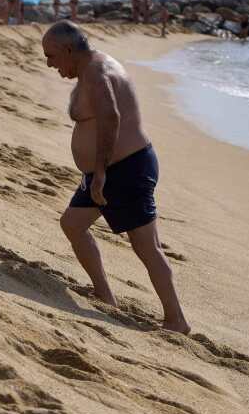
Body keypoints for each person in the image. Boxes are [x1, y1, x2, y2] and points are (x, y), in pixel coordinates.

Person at [41, 21, 190, 334]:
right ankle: (104, 295)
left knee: (146, 246)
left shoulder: (97, 72)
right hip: (107, 168)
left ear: (68, 49)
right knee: (73, 224)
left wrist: (101, 175)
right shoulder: (91, 68)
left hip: (124, 170)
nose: (49, 63)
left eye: (51, 56)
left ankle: (176, 320)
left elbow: (111, 119)